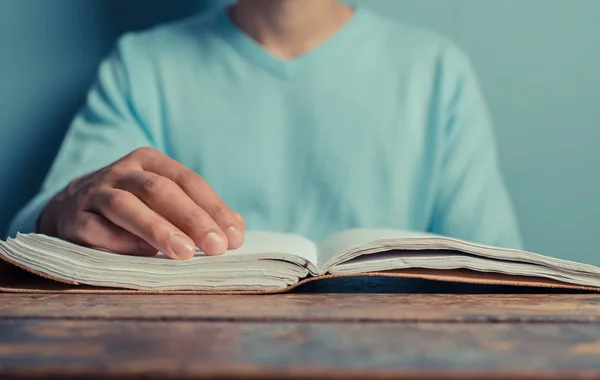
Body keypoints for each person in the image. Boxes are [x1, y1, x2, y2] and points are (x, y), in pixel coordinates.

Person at [8, 0, 523, 260]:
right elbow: (32, 230)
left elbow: (496, 268)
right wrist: (65, 207)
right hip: (189, 377)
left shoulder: (436, 71)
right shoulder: (142, 66)